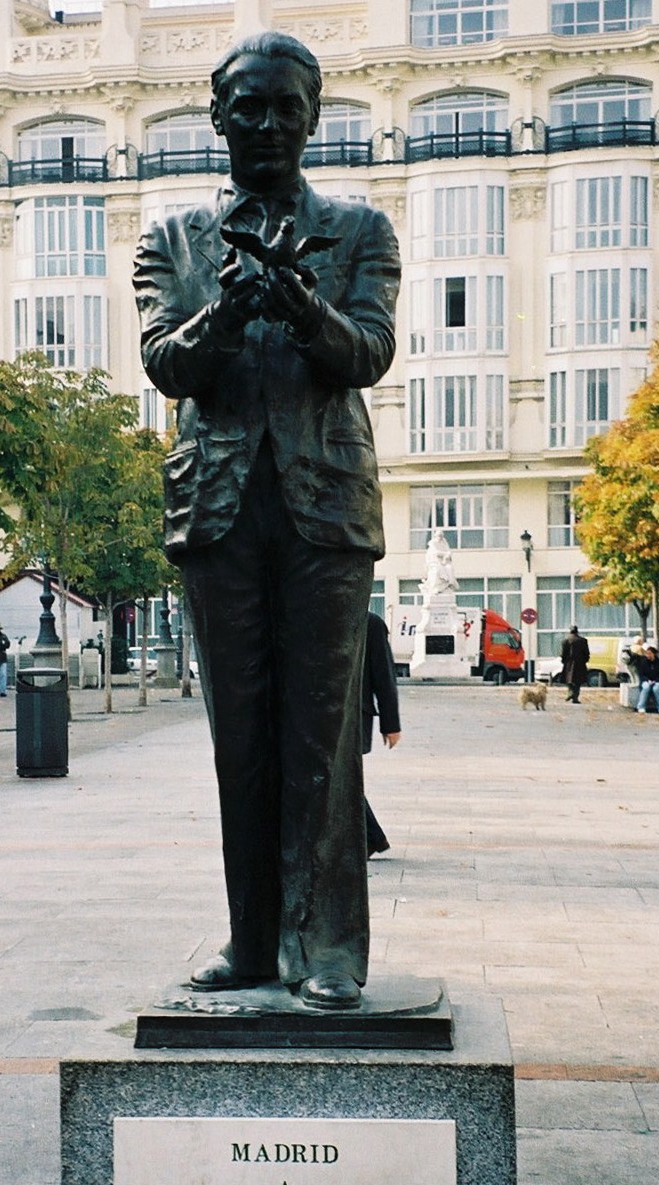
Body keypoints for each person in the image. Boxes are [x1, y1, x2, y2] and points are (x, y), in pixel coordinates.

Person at [134, 31, 400, 1011]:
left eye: (286, 105)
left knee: (321, 738)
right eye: (247, 105)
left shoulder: (359, 230)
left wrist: (296, 307)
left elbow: (368, 351)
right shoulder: (172, 240)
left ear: (310, 117)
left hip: (324, 508)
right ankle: (253, 944)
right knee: (238, 740)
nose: (266, 122)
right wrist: (221, 317)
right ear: (217, 116)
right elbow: (165, 365)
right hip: (215, 509)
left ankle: (327, 948)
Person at [362, 612, 401, 858]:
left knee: (342, 779)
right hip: (318, 716)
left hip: (356, 714)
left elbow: (384, 676)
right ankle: (371, 839)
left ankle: (372, 838)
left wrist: (391, 724)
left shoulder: (371, 624)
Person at [631, 642, 659, 713]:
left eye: (650, 653)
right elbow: (641, 674)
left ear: (654, 654)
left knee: (656, 689)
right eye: (647, 653)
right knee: (646, 687)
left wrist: (656, 680)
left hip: (656, 681)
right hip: (646, 681)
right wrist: (647, 680)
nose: (648, 655)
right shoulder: (643, 662)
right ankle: (641, 706)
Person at [561, 624, 590, 703]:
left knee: (569, 680)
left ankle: (570, 692)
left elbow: (563, 653)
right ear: (577, 631)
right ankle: (575, 697)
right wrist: (585, 660)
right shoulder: (583, 640)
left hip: (569, 663)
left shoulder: (566, 640)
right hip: (580, 663)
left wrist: (563, 661)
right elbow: (586, 653)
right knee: (578, 681)